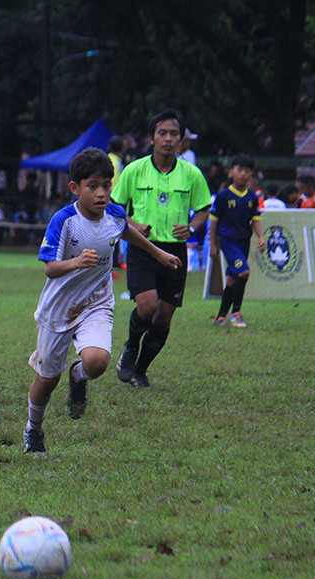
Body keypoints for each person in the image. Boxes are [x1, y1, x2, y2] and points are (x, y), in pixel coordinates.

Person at [23, 148, 181, 455]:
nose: (101, 193)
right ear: (75, 188)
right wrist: (76, 262)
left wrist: (158, 253)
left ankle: (78, 376)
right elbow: (49, 268)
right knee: (47, 380)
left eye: (106, 186)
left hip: (96, 302)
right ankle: (34, 429)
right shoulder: (64, 220)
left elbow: (127, 231)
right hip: (59, 308)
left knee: (96, 363)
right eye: (92, 186)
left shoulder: (115, 214)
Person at [111, 108, 212, 388]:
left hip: (175, 251)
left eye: (174, 134)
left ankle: (140, 370)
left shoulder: (192, 174)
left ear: (181, 140)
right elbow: (115, 207)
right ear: (151, 138)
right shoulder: (134, 170)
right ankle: (131, 347)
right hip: (142, 248)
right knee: (147, 307)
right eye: (162, 133)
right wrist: (133, 224)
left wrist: (192, 228)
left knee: (164, 318)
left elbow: (204, 209)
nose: (168, 139)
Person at [209, 154, 266, 328]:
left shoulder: (252, 197)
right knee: (244, 272)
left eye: (247, 171)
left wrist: (261, 237)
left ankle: (220, 317)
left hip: (243, 241)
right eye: (239, 170)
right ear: (231, 172)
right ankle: (236, 313)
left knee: (232, 279)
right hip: (228, 241)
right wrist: (213, 244)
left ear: (251, 174)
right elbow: (214, 221)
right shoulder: (223, 195)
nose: (243, 174)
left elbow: (255, 220)